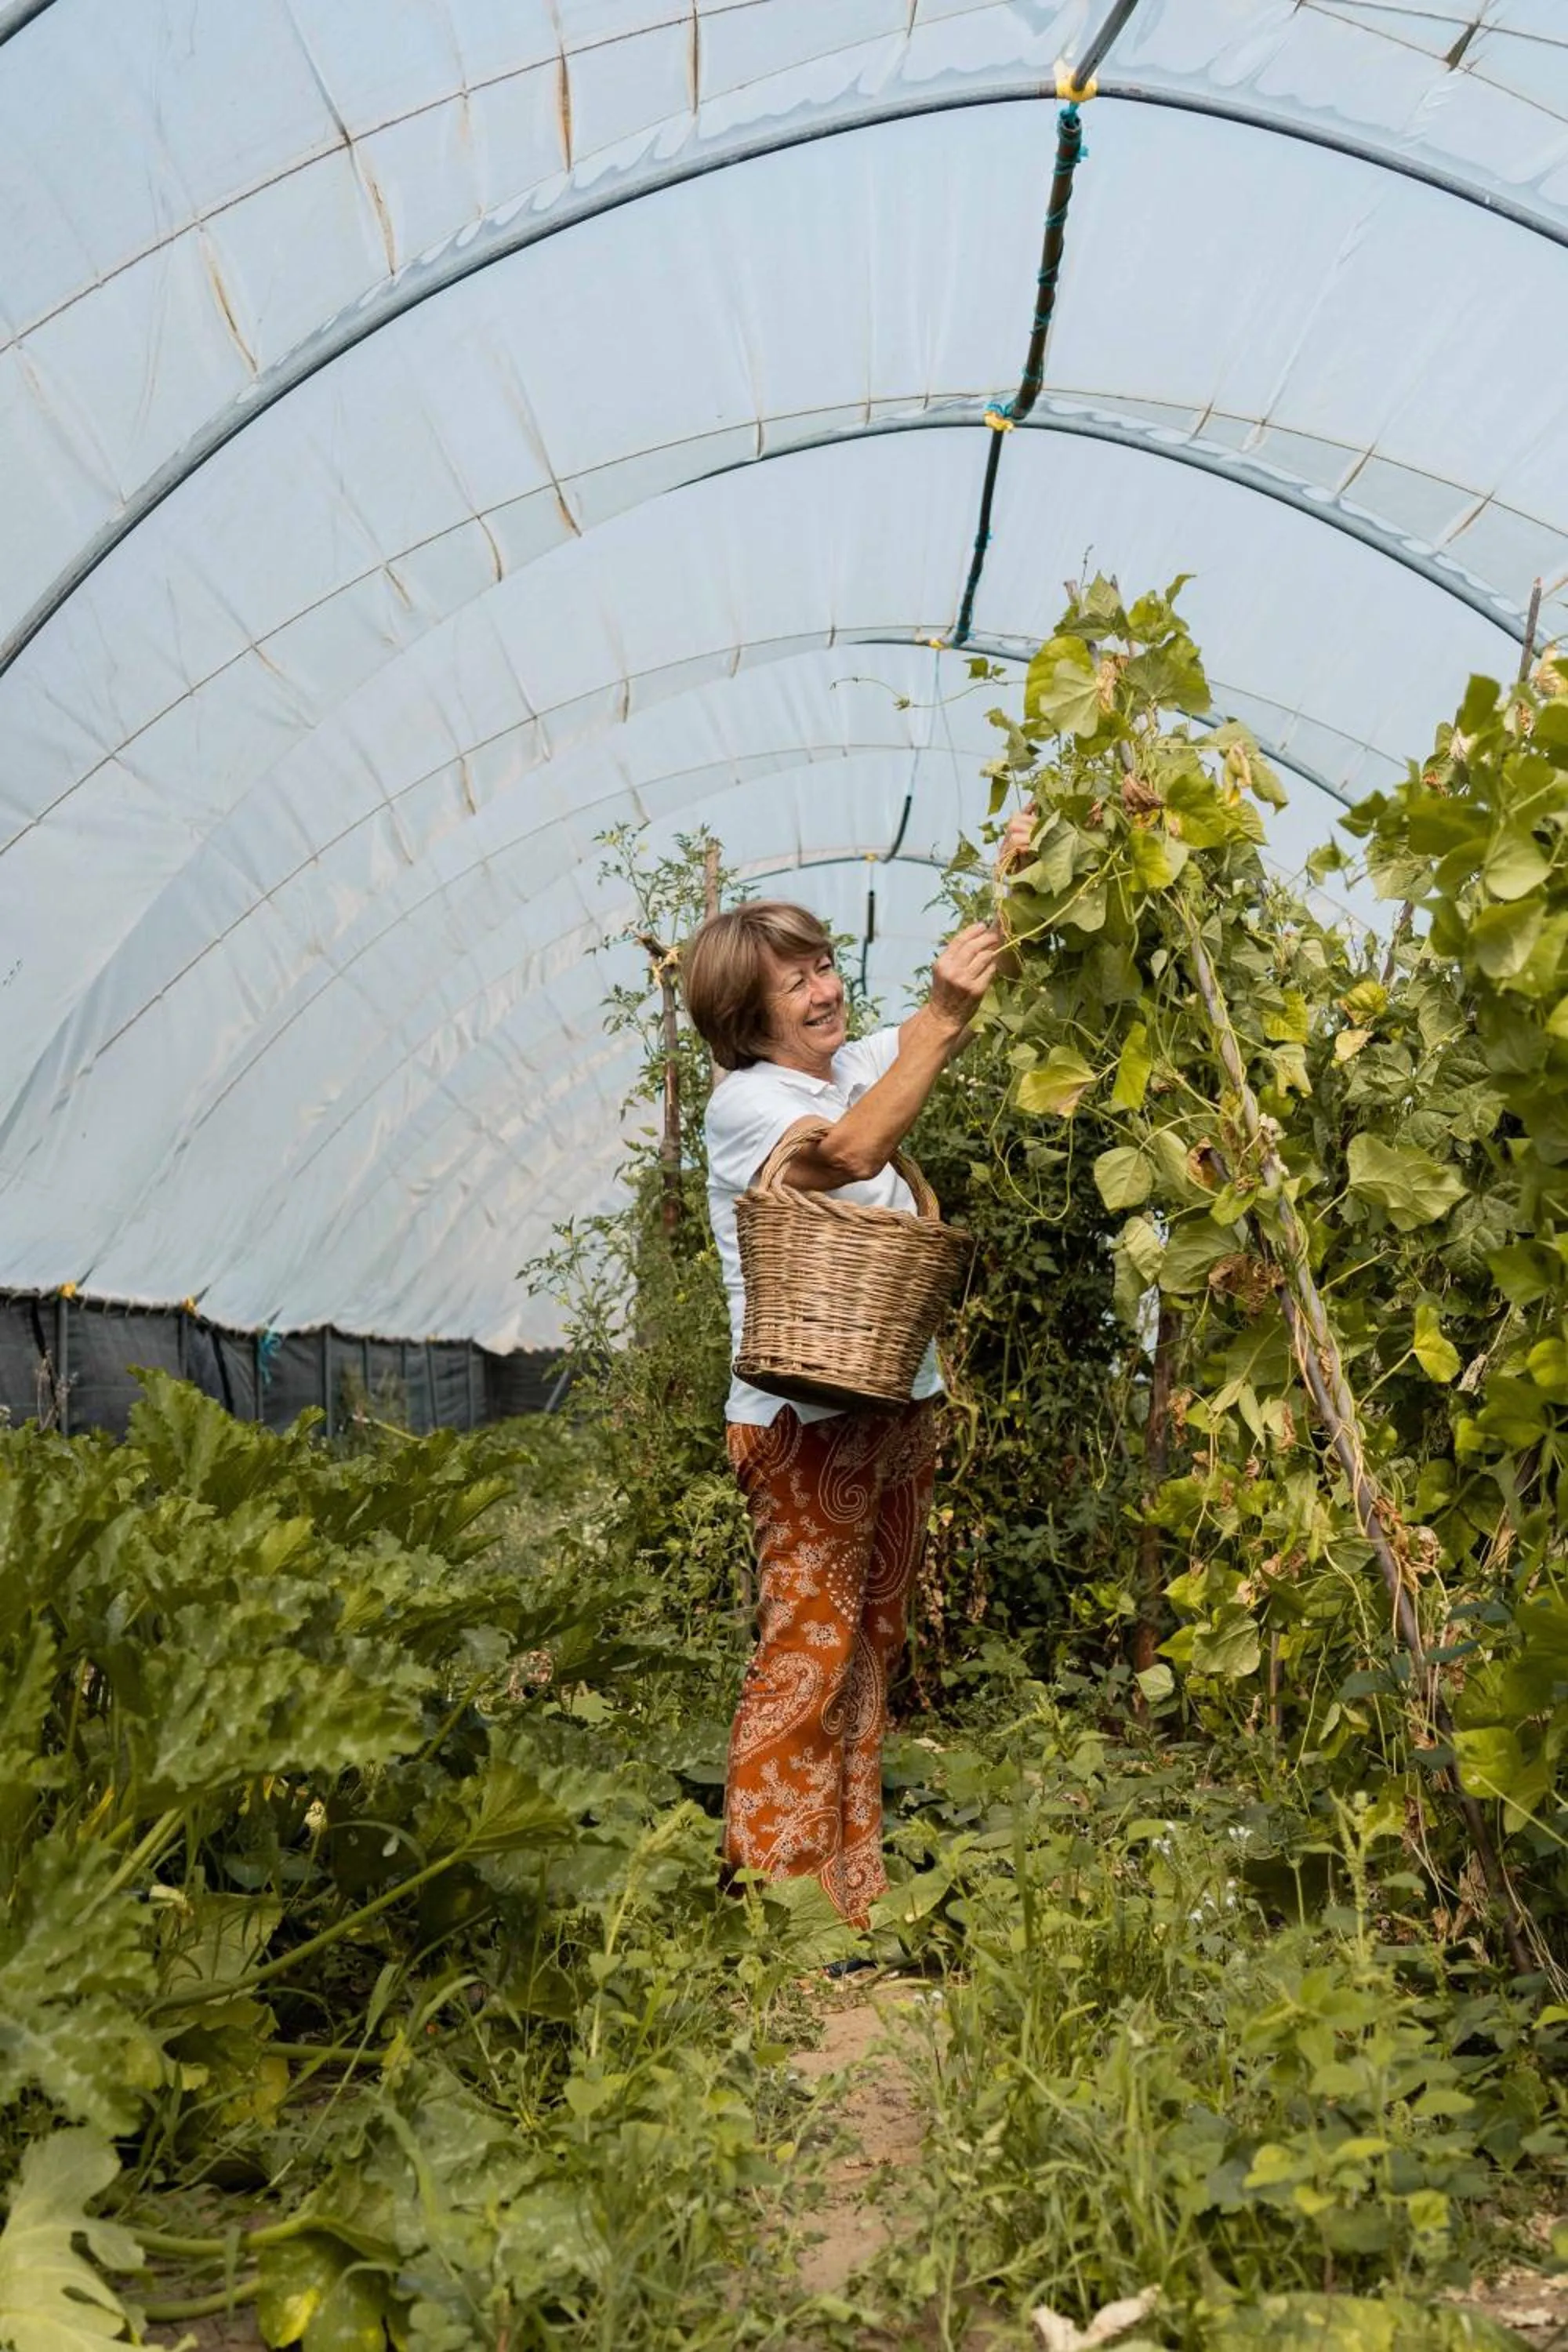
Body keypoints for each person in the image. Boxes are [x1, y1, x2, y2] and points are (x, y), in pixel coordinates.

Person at [681, 814, 1033, 1929]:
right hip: (801, 1426)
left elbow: (943, 1029)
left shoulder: (845, 1069)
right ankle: (774, 1903)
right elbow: (851, 1155)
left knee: (871, 1642)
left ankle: (850, 1880)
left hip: (888, 1405)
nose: (824, 992)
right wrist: (936, 1014)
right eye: (795, 984)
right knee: (807, 1651)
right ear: (747, 1018)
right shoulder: (753, 1106)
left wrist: (1014, 880)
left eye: (825, 965)